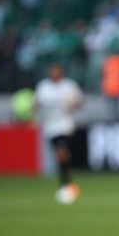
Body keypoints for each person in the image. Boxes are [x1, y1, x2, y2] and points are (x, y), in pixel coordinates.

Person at [34, 63, 83, 204]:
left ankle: (66, 184)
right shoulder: (43, 87)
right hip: (50, 127)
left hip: (65, 125)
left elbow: (79, 102)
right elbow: (36, 104)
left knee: (61, 152)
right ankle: (66, 181)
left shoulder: (69, 86)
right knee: (59, 155)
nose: (54, 73)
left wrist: (72, 105)